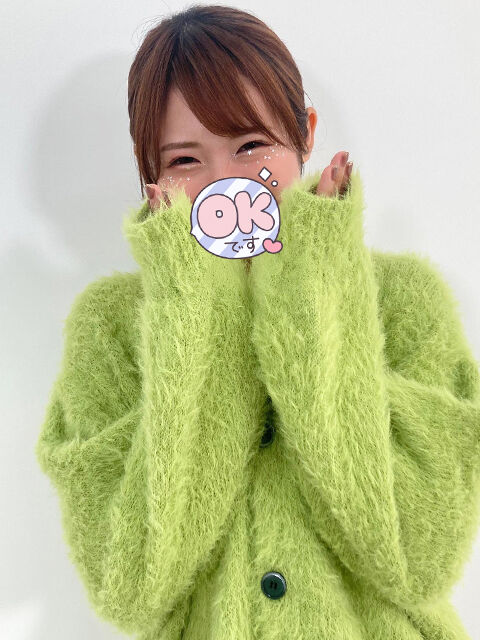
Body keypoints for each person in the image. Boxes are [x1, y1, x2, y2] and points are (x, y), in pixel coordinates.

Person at [35, 5, 480, 640]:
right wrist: (191, 305)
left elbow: (418, 560)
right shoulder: (110, 328)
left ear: (305, 133)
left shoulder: (404, 301)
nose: (226, 184)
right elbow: (130, 588)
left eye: (250, 146)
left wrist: (312, 286)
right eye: (184, 161)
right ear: (149, 172)